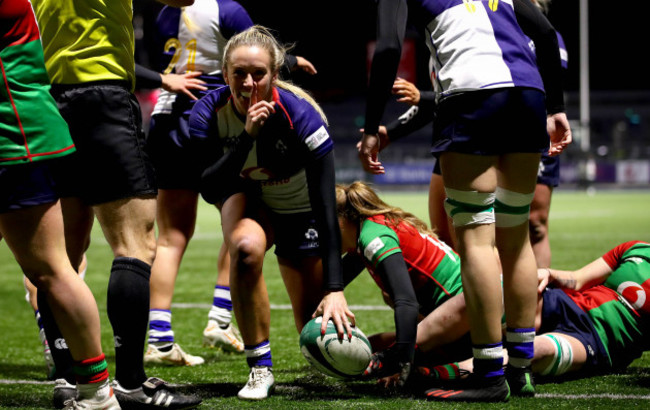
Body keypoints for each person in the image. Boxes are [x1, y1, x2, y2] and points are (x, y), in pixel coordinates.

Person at [359, 0, 572, 402]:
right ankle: (520, 370)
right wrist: (557, 108)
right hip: (528, 95)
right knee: (515, 238)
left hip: (471, 97)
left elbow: (388, 48)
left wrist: (372, 127)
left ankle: (490, 373)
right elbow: (543, 32)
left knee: (476, 239)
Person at [29, 0, 202, 408]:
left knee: (62, 256)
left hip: (50, 100)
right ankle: (131, 384)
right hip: (103, 96)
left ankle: (73, 380)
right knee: (135, 245)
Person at [143, 0, 318, 367]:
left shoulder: (160, 12)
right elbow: (256, 50)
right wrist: (291, 63)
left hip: (165, 120)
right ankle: (221, 317)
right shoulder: (226, 8)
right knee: (242, 220)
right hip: (215, 120)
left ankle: (159, 340)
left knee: (170, 236)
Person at [188, 25, 350, 400]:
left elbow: (326, 207)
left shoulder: (304, 118)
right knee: (244, 250)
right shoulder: (206, 112)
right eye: (239, 74)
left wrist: (335, 288)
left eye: (258, 74)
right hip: (250, 200)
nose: (248, 83)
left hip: (300, 210)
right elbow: (210, 188)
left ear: (274, 75)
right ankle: (260, 368)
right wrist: (247, 135)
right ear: (225, 74)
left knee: (312, 323)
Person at [0, 1, 118, 408]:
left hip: (15, 138)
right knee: (53, 269)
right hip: (21, 135)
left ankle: (97, 390)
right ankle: (96, 391)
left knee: (52, 269)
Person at [335, 181, 465, 387]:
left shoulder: (373, 238)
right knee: (363, 348)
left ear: (341, 222)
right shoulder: (368, 227)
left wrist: (400, 361)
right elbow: (334, 281)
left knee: (370, 354)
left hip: (464, 315)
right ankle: (432, 354)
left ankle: (429, 362)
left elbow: (406, 302)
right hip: (449, 312)